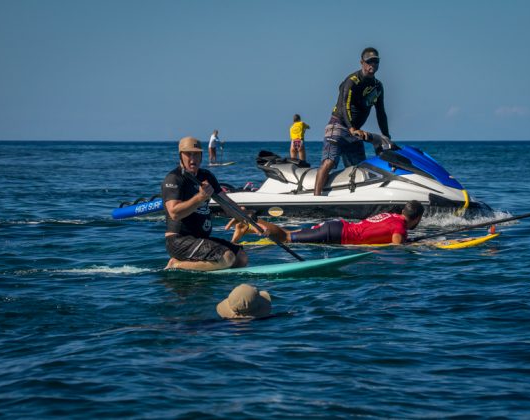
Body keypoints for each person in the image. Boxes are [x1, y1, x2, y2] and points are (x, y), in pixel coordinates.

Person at [314, 47, 393, 196]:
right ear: (362, 63)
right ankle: (316, 199)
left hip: (355, 131)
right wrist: (351, 128)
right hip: (338, 126)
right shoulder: (352, 81)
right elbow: (345, 105)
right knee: (329, 162)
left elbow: (381, 113)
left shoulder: (378, 86)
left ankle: (354, 198)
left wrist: (386, 136)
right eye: (369, 62)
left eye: (376, 62)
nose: (373, 65)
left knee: (360, 168)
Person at [162, 136, 248, 271]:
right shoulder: (174, 178)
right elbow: (174, 213)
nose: (193, 159)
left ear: (202, 156)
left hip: (200, 239)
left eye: (196, 154)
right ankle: (176, 264)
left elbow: (226, 203)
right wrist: (201, 197)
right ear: (180, 156)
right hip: (178, 240)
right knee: (227, 258)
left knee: (241, 258)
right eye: (188, 154)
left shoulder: (206, 176)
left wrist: (249, 219)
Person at [229, 200, 424, 246]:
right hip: (336, 234)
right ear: (417, 218)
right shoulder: (400, 227)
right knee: (286, 237)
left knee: (289, 231)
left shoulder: (391, 216)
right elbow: (397, 248)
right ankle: (250, 220)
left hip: (337, 226)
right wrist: (420, 245)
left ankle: (246, 231)